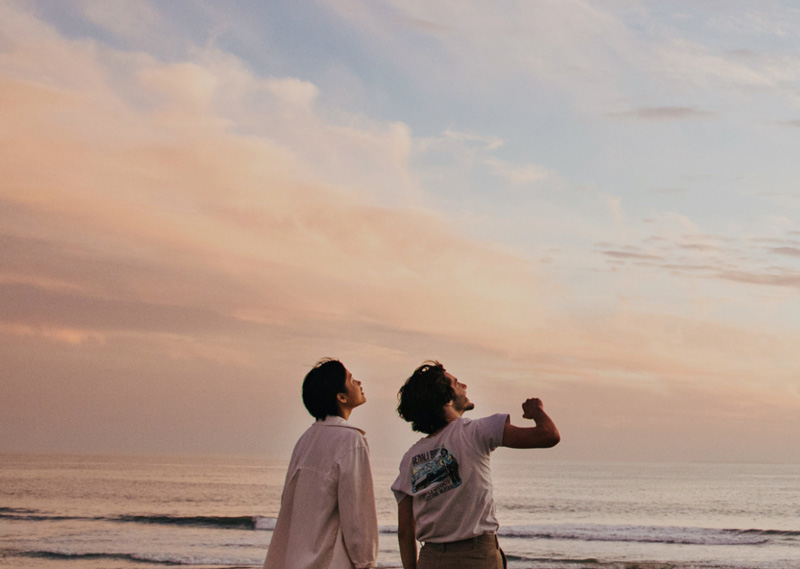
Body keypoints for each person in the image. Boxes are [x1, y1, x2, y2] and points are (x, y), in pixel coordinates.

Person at [391, 361, 560, 569]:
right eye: (455, 383)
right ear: (446, 400)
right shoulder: (474, 431)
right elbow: (548, 436)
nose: (464, 385)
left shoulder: (411, 457)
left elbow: (405, 530)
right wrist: (537, 411)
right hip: (475, 556)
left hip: (430, 558)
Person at [264, 359, 379, 569]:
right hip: (330, 561)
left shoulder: (306, 439)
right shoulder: (350, 440)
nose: (359, 382)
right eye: (352, 380)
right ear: (341, 397)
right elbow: (358, 514)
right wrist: (366, 562)